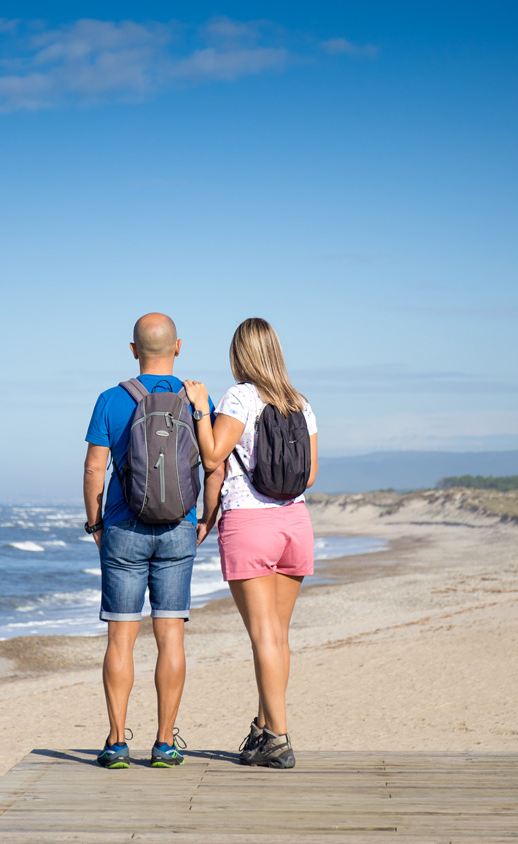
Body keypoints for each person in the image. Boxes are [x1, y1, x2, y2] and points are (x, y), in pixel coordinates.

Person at [83, 312, 223, 769]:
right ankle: (164, 743)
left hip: (123, 529)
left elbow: (92, 470)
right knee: (171, 639)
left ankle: (117, 742)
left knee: (120, 642)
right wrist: (205, 519)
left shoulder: (110, 399)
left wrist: (96, 525)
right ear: (177, 347)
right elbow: (212, 462)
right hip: (178, 529)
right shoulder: (196, 397)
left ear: (132, 349)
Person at [183, 317, 318, 770]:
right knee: (277, 637)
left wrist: (201, 408)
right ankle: (263, 728)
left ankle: (279, 738)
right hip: (295, 523)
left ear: (239, 355)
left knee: (263, 637)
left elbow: (212, 455)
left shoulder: (239, 396)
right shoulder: (300, 403)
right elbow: (311, 475)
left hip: (250, 524)